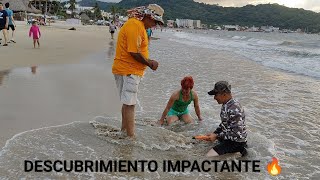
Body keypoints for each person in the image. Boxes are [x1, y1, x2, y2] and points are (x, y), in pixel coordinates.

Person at [112, 4, 164, 138]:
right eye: (155, 21)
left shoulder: (136, 25)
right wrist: (150, 63)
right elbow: (133, 52)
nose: (154, 25)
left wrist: (148, 61)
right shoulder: (135, 25)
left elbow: (136, 50)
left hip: (126, 69)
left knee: (127, 102)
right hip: (129, 70)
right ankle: (131, 137)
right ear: (147, 16)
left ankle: (124, 132)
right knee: (130, 104)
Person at [205, 81, 247, 157]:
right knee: (206, 144)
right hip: (228, 138)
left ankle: (239, 152)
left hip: (236, 143)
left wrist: (217, 136)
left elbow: (236, 134)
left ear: (224, 94)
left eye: (216, 95)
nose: (214, 98)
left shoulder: (234, 108)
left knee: (208, 156)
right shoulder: (227, 104)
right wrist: (215, 133)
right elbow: (224, 123)